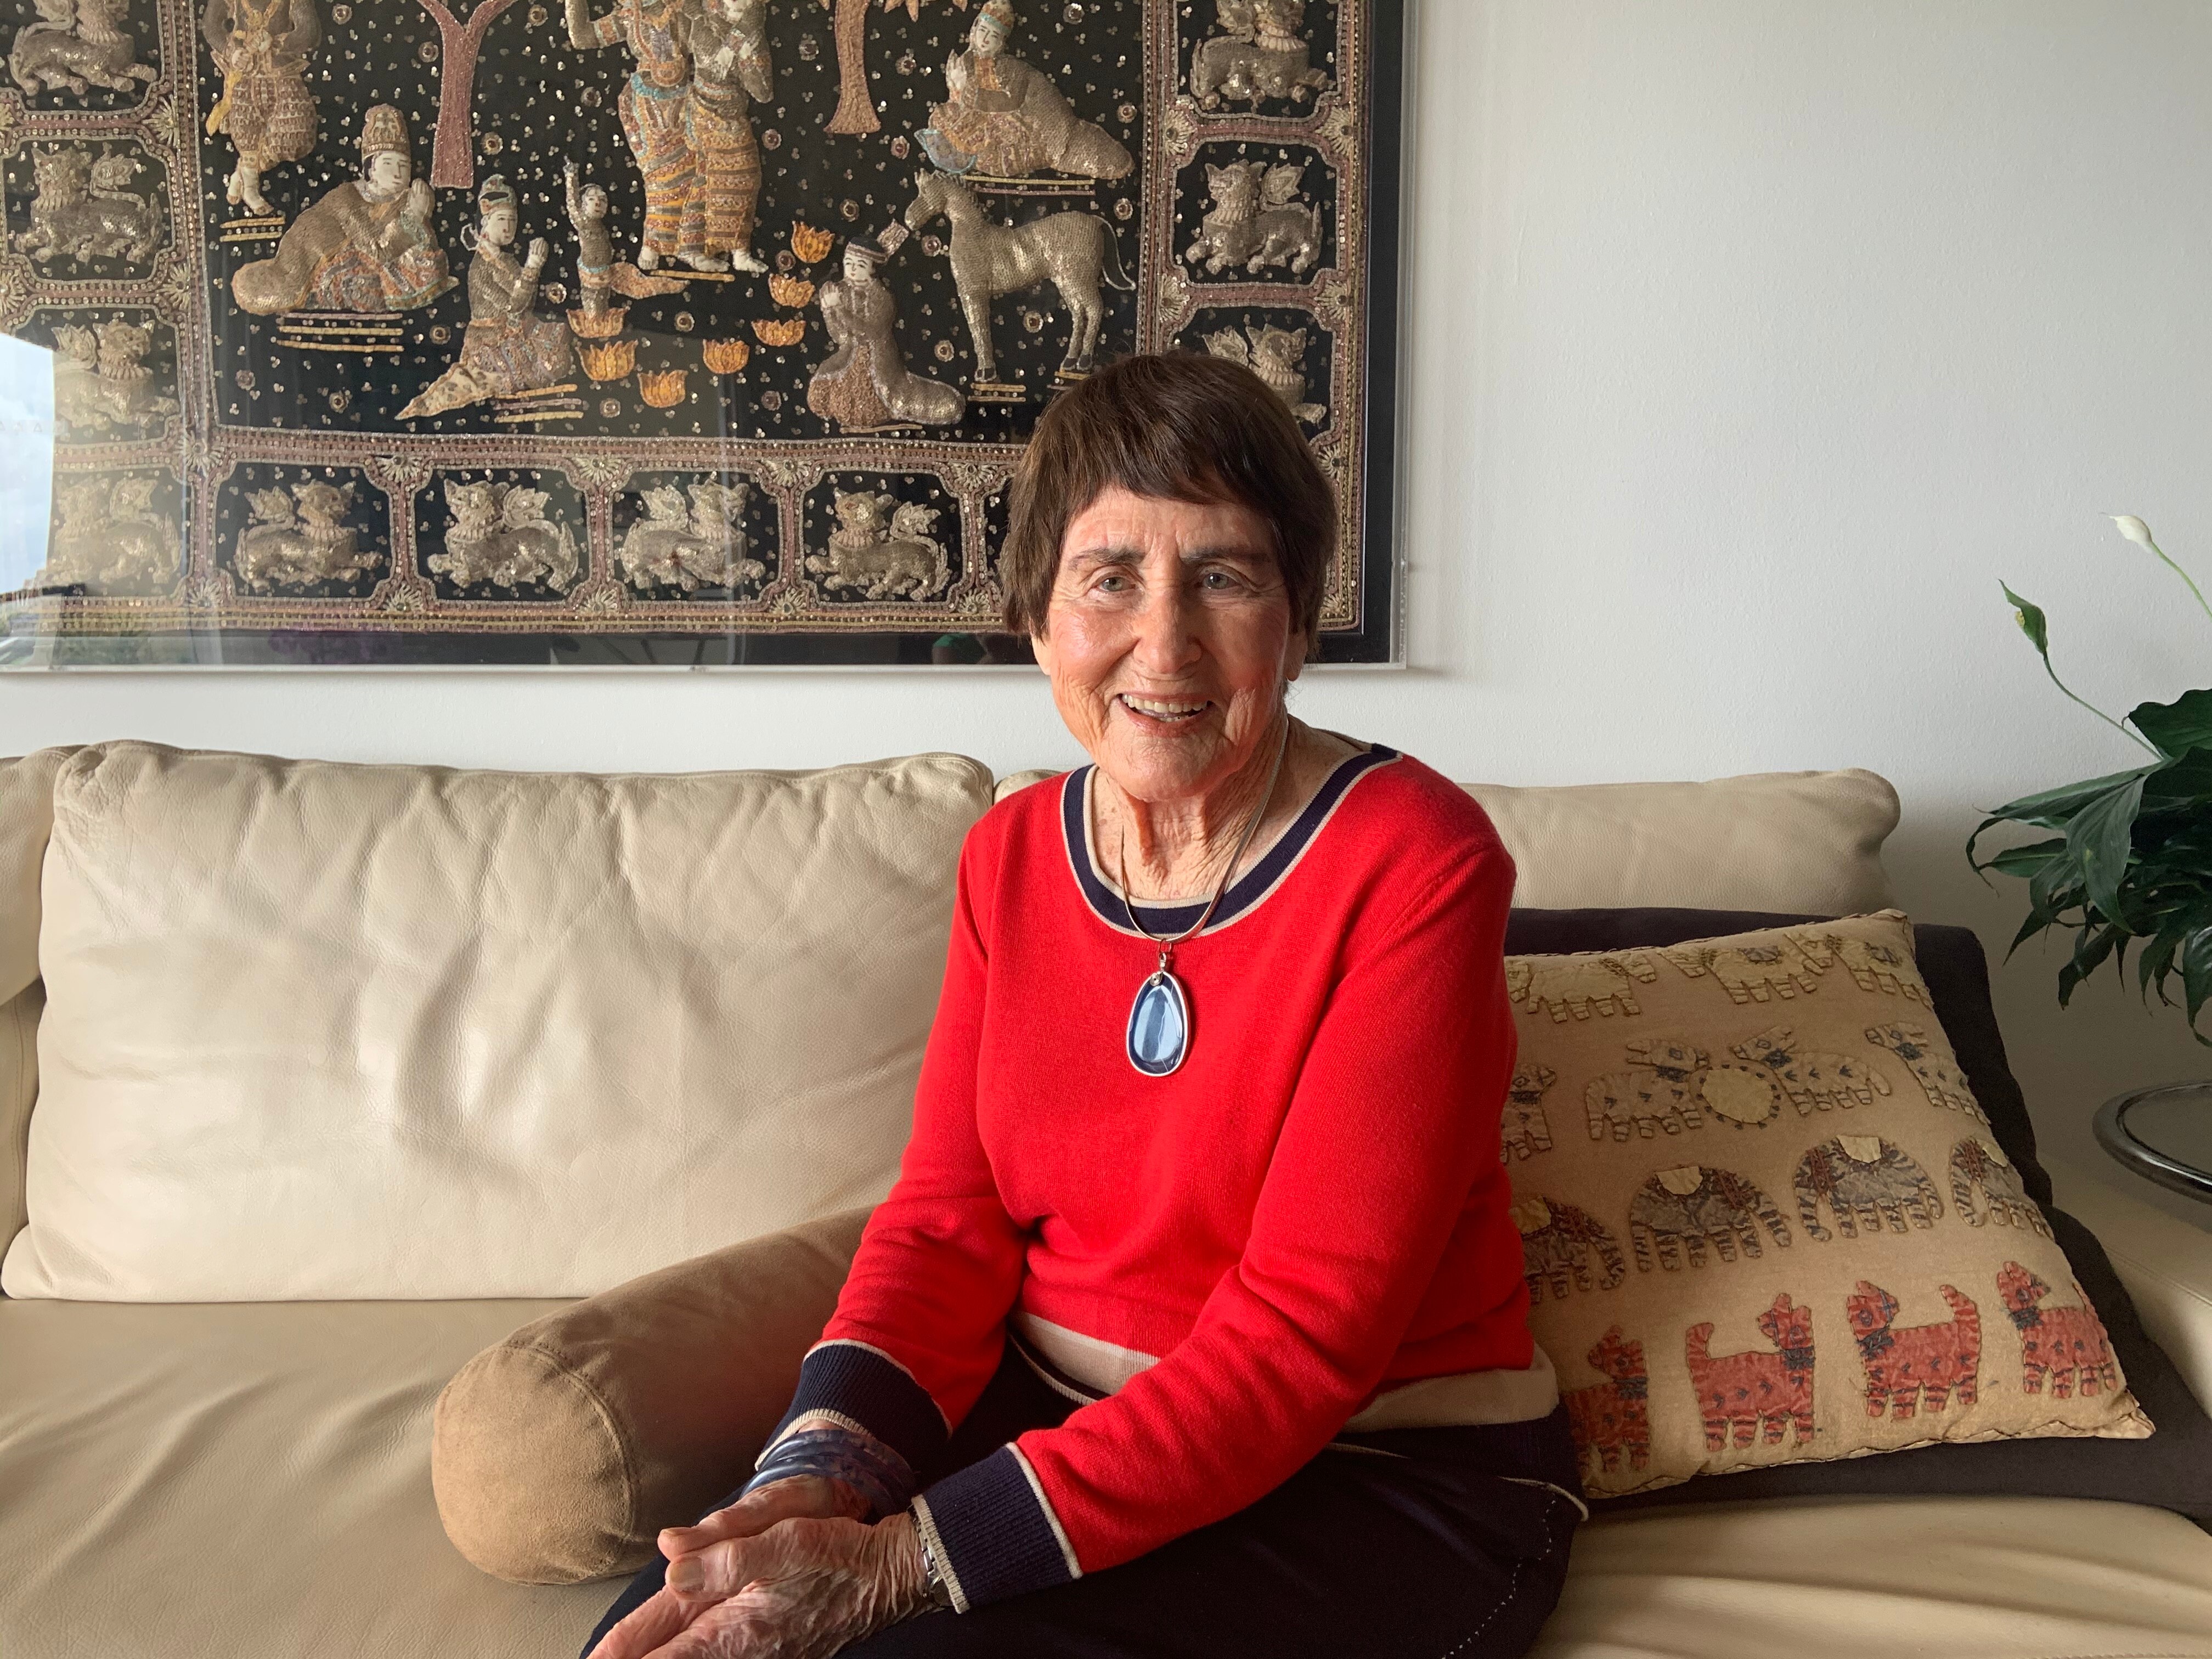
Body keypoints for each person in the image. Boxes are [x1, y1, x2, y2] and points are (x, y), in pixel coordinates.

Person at [580, 352, 1580, 1659]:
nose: (1164, 644)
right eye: (1110, 579)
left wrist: (902, 1566)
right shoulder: (1011, 857)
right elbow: (946, 1228)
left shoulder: (1418, 862)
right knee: (675, 1630)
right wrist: (808, 1484)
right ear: (1038, 619)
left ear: (1295, 620)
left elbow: (1297, 1342)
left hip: (1379, 1477)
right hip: (1061, 1428)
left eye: (1224, 576)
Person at [230, 103, 452, 315]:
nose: (397, 174)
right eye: (388, 165)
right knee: (364, 285)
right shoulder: (349, 199)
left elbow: (422, 248)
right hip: (309, 270)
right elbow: (380, 251)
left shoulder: (402, 197)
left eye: (404, 167)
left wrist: (418, 212)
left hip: (365, 258)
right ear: (370, 169)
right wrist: (415, 214)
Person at [398, 174, 573, 420]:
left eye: (513, 220)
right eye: (502, 220)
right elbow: (513, 307)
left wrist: (530, 273)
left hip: (518, 330)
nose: (508, 227)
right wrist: (532, 267)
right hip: (490, 340)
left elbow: (527, 304)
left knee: (558, 357)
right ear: (484, 225)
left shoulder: (506, 260)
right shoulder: (480, 267)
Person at [916, 0, 1131, 182]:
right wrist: (957, 91)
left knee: (995, 147)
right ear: (974, 30)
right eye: (982, 30)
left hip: (1016, 120)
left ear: (1001, 42)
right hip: (978, 117)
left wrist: (967, 93)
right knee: (943, 119)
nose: (985, 39)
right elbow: (958, 101)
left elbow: (1009, 102)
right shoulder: (967, 61)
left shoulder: (1009, 68)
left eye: (993, 35)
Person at [808, 233, 966, 431]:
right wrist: (829, 311)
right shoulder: (842, 291)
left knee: (864, 405)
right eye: (849, 263)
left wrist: (838, 308)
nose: (853, 270)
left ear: (872, 269)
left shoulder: (882, 297)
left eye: (860, 265)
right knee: (819, 394)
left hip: (876, 359)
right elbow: (840, 337)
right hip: (848, 355)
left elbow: (869, 332)